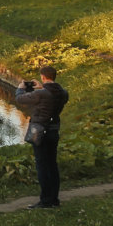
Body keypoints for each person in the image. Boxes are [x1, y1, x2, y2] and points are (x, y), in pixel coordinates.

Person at [15, 65, 70, 209]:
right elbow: (51, 98)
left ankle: (45, 200)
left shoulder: (42, 94)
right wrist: (42, 88)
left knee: (42, 166)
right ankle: (54, 199)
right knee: (52, 165)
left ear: (43, 77)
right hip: (53, 131)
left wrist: (20, 87)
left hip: (39, 132)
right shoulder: (63, 93)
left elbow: (20, 99)